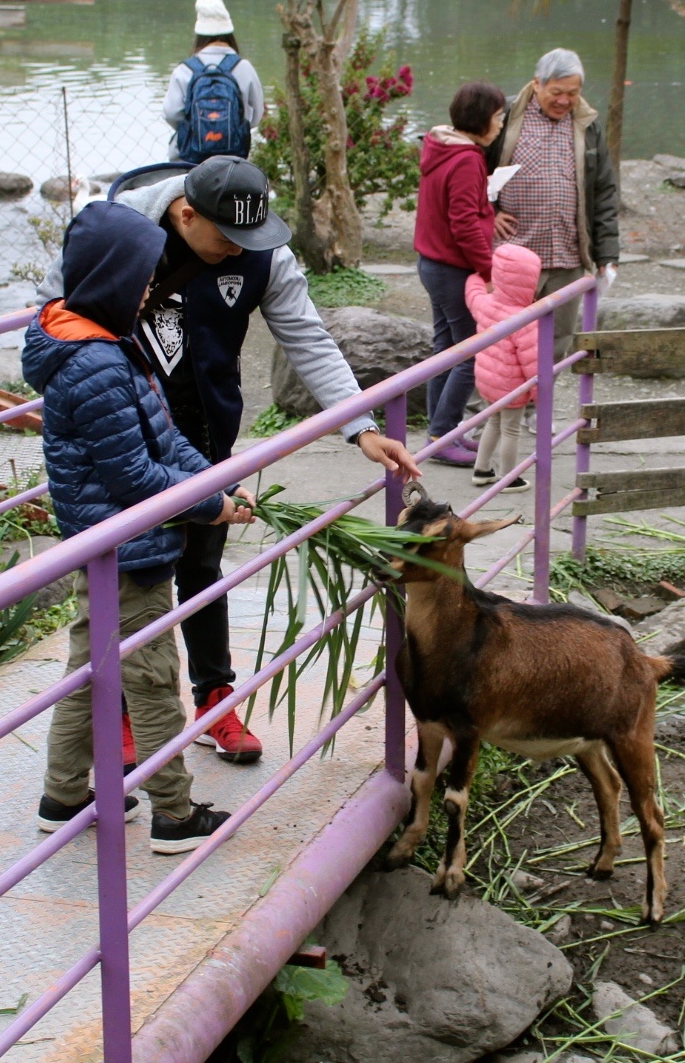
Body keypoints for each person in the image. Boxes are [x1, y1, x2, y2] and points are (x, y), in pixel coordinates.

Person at [38, 156, 420, 765]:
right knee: (130, 580)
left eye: (252, 237)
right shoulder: (114, 234)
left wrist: (360, 425)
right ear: (186, 215)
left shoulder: (263, 253)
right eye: (227, 238)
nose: (240, 250)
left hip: (206, 436)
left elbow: (307, 336)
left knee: (202, 567)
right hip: (125, 440)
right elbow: (57, 320)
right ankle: (123, 714)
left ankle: (216, 699)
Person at [23, 200, 254, 850]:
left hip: (110, 549)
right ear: (112, 279)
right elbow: (134, 478)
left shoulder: (107, 344)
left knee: (87, 675)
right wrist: (208, 506)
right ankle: (175, 814)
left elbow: (166, 440)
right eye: (144, 278)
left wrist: (215, 481)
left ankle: (63, 795)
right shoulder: (94, 363)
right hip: (128, 552)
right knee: (152, 682)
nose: (153, 289)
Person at [488, 48, 620, 356]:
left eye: (572, 93)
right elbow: (474, 171)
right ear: (537, 84)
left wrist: (607, 254)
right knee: (504, 340)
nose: (564, 100)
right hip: (514, 252)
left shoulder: (588, 125)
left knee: (557, 341)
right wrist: (489, 213)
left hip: (567, 255)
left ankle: (539, 403)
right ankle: (500, 404)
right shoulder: (505, 117)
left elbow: (603, 191)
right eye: (556, 92)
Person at [414, 81, 508, 466]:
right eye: (499, 117)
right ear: (482, 119)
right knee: (472, 351)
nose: (501, 125)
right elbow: (464, 224)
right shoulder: (468, 159)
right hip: (452, 268)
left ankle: (444, 431)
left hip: (432, 263)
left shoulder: (441, 147)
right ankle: (442, 432)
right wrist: (487, 270)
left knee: (446, 349)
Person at [465, 244, 543, 492]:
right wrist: (540, 394)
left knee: (493, 423)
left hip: (488, 382)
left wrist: (478, 275)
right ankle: (508, 477)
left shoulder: (485, 304)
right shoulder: (525, 320)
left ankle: (482, 468)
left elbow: (473, 293)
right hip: (512, 388)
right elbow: (533, 364)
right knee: (511, 429)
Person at [162, 0, 264, 165]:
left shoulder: (184, 70)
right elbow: (256, 116)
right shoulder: (244, 68)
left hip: (189, 160)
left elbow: (171, 113)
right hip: (234, 159)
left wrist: (196, 130)